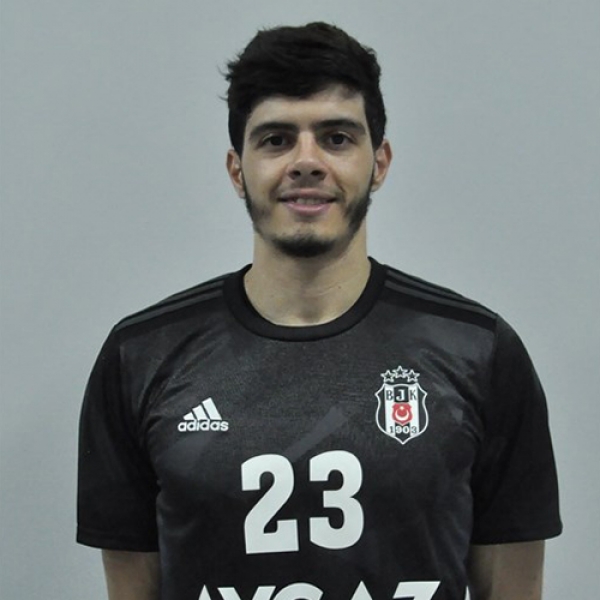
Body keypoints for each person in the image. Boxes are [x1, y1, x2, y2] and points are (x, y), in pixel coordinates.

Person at [77, 22, 562, 600]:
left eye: (336, 138)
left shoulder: (478, 352)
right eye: (276, 140)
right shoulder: (141, 357)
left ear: (379, 162)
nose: (306, 162)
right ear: (237, 170)